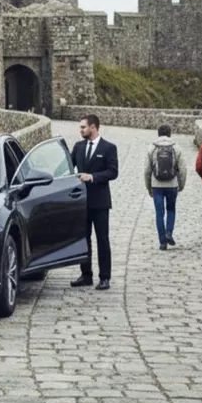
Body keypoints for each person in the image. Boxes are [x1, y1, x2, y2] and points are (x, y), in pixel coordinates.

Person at [71, 114, 119, 290]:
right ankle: (86, 275)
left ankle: (105, 277)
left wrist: (92, 177)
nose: (81, 130)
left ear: (93, 127)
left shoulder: (109, 148)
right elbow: (68, 166)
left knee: (102, 240)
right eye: (81, 127)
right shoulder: (78, 147)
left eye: (83, 127)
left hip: (100, 202)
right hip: (81, 201)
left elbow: (113, 172)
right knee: (84, 240)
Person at [144, 124, 186, 250]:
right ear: (170, 134)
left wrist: (149, 188)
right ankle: (169, 233)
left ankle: (162, 242)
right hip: (172, 185)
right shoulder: (176, 147)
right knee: (171, 210)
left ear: (158, 133)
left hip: (156, 186)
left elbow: (147, 170)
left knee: (159, 213)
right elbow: (183, 169)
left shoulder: (151, 147)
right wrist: (181, 185)